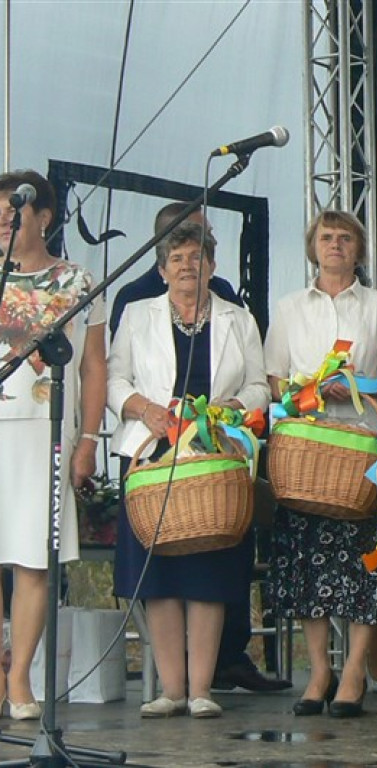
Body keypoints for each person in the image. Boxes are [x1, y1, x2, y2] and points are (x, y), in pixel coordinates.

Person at [109, 201, 288, 694]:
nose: (189, 266)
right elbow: (113, 379)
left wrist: (229, 407)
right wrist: (145, 409)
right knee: (162, 575)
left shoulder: (239, 318)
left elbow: (258, 387)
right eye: (179, 257)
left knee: (210, 572)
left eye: (198, 257)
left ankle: (202, 691)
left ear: (214, 265)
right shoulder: (136, 313)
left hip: (216, 453)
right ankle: (171, 692)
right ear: (162, 267)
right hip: (152, 453)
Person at [265, 210, 377, 717]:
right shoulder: (288, 307)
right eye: (327, 237)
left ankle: (355, 672)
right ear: (312, 246)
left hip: (363, 447)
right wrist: (310, 393)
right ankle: (319, 668)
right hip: (305, 451)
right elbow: (274, 379)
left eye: (346, 238)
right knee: (306, 563)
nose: (336, 245)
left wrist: (355, 389)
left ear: (359, 249)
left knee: (364, 564)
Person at [0, 170, 106, 720]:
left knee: (32, 560)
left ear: (43, 216)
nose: (3, 224)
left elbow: (93, 367)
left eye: (12, 214)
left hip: (44, 429)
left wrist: (88, 439)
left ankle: (20, 680)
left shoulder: (77, 281)